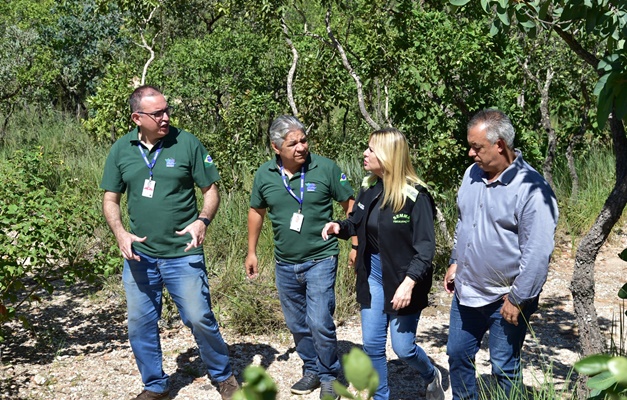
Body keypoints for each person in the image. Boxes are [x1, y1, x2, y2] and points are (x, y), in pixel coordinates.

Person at [101, 85, 238, 400]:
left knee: (198, 317)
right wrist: (120, 232)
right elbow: (110, 198)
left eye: (167, 111)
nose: (165, 118)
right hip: (140, 255)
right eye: (157, 113)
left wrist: (202, 220)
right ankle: (155, 385)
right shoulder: (121, 149)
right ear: (137, 117)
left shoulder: (186, 143)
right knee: (139, 324)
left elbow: (211, 191)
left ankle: (223, 375)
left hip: (182, 252)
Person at [321, 128, 445, 400]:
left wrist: (409, 283)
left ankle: (430, 374)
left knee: (403, 349)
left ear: (388, 155)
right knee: (372, 345)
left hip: (404, 278)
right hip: (373, 274)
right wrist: (337, 227)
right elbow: (354, 222)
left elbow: (426, 249)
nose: (365, 153)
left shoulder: (416, 196)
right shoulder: (369, 187)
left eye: (371, 150)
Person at [444, 109, 559, 400]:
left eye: (477, 147)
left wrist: (518, 299)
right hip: (466, 290)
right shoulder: (472, 175)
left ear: (500, 146)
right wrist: (456, 261)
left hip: (505, 298)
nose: (471, 154)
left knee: (503, 366)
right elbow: (463, 222)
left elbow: (538, 252)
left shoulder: (532, 190)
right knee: (458, 355)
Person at [245, 115, 355, 400]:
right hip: (285, 263)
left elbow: (351, 206)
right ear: (276, 147)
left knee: (319, 320)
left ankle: (330, 374)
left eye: (303, 140)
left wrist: (355, 243)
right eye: (292, 143)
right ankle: (312, 369)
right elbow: (257, 212)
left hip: (322, 257)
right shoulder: (264, 174)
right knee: (297, 323)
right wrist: (252, 251)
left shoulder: (326, 168)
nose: (301, 147)